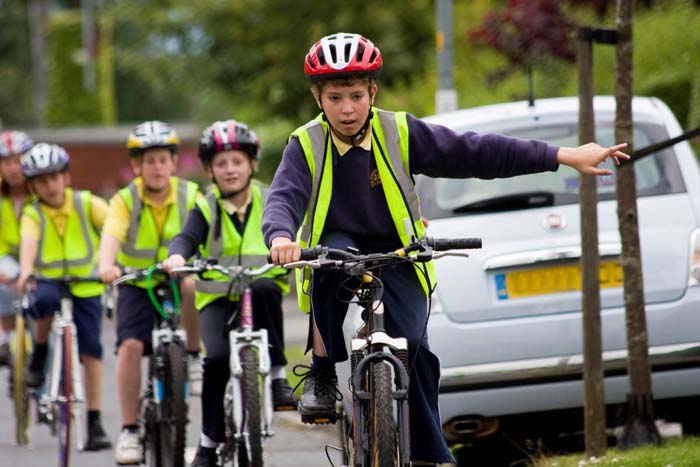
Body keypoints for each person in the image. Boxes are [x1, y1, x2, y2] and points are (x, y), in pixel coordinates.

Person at [263, 32, 630, 466]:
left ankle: (427, 455)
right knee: (328, 259)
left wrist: (561, 155)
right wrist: (281, 238)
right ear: (318, 98)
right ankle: (323, 373)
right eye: (336, 97)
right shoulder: (305, 144)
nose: (347, 108)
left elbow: (475, 152)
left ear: (372, 93)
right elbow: (284, 197)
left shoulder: (398, 130)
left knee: (414, 345)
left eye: (357, 96)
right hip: (339, 246)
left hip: (399, 250)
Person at [162, 120, 296, 467]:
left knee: (267, 288)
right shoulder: (207, 207)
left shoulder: (271, 198)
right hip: (217, 296)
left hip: (260, 288)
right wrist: (178, 255)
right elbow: (187, 237)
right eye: (221, 164)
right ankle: (208, 442)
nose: (230, 170)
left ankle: (279, 376)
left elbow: (302, 225)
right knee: (217, 360)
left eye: (237, 161)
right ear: (209, 170)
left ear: (252, 163)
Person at [97, 121, 203, 465]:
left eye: (162, 159)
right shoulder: (124, 200)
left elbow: (208, 230)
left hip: (177, 278)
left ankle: (193, 357)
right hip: (136, 283)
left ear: (174, 163)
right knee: (129, 345)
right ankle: (129, 430)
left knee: (190, 284)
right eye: (149, 161)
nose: (156, 167)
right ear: (137, 166)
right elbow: (111, 234)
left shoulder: (191, 195)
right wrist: (107, 265)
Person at [17, 143, 112, 451]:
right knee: (41, 303)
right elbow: (29, 244)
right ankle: (41, 351)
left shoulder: (87, 203)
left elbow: (113, 227)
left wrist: (113, 262)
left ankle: (94, 421)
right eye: (42, 181)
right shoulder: (33, 213)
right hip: (48, 281)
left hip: (87, 282)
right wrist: (26, 271)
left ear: (66, 177)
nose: (50, 186)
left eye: (55, 177)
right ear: (33, 186)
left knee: (92, 350)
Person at [0, 131, 33, 367]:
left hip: (37, 259)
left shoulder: (41, 192)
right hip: (5, 258)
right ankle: (4, 337)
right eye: (6, 162)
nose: (13, 168)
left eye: (18, 160)